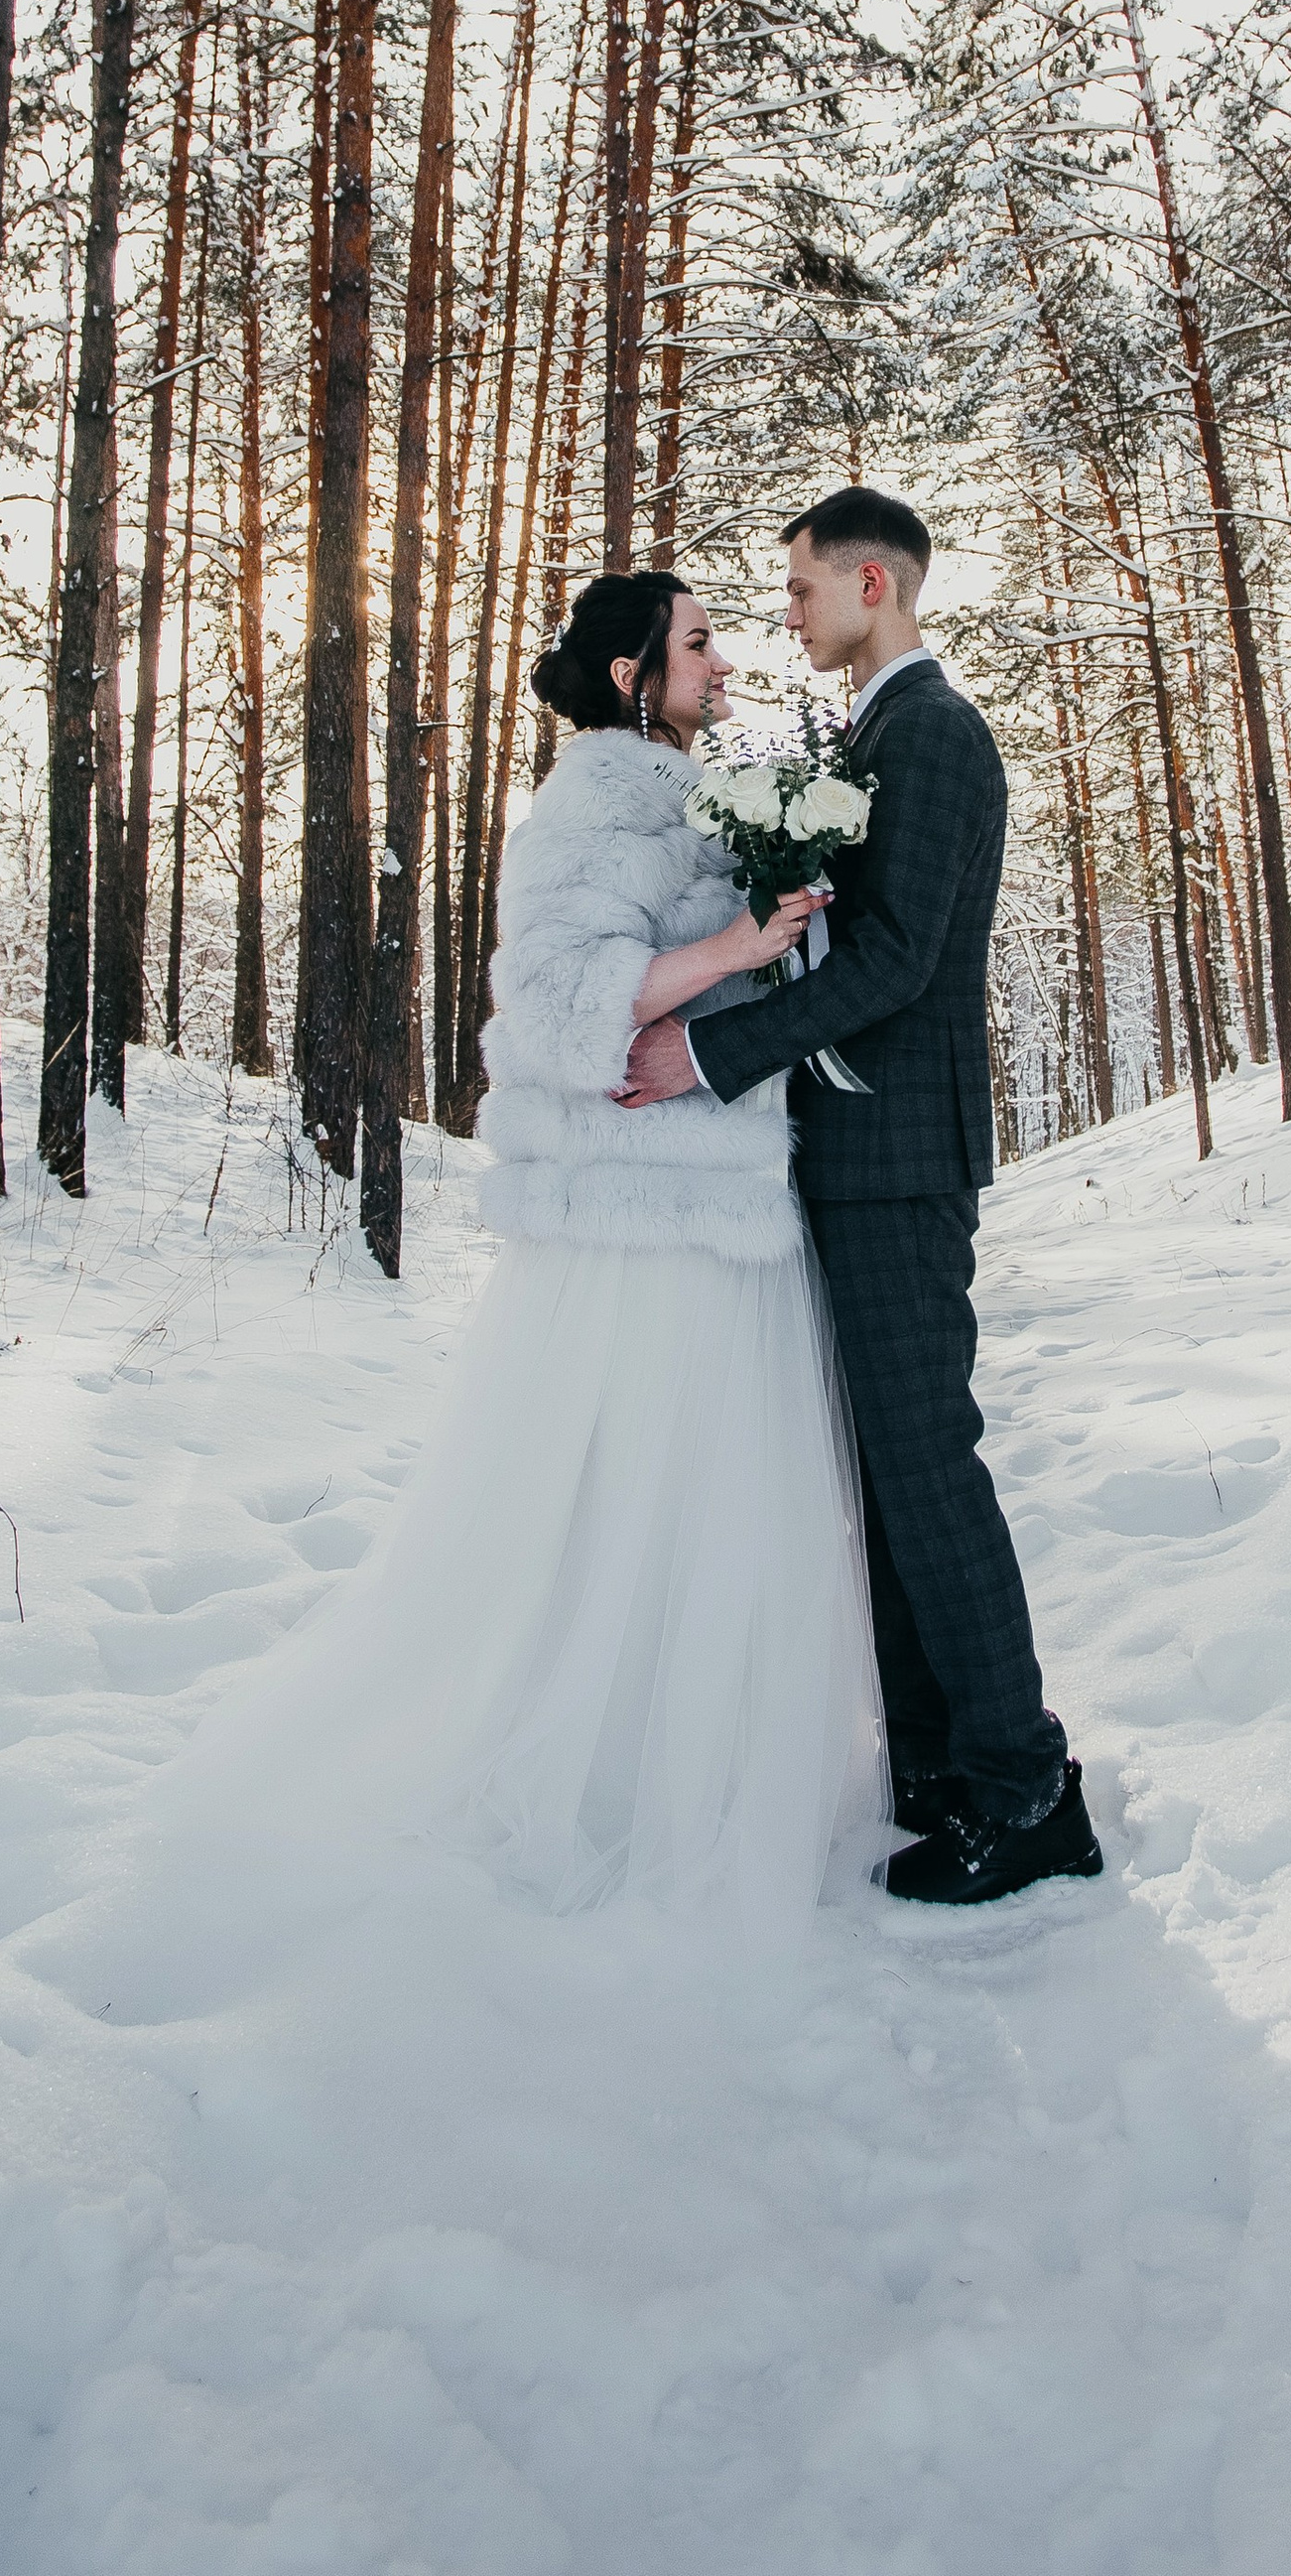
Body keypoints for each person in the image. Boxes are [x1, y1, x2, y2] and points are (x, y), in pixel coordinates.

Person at [240, 569, 888, 1939]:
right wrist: (734, 944)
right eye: (699, 644)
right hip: (635, 1219)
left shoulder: (685, 792)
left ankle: (702, 1771)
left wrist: (788, 920)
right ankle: (605, 1786)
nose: (722, 663)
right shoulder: (592, 800)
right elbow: (555, 1006)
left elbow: (736, 964)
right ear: (627, 674)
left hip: (720, 1201)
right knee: (633, 1500)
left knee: (714, 1508)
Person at [617, 486, 1101, 1907]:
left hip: (897, 1163)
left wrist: (707, 1049)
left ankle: (1028, 1793)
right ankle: (943, 1767)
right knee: (889, 1482)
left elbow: (893, 965)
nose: (789, 613)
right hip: (850, 1155)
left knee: (929, 1473)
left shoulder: (934, 736)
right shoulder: (876, 735)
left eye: (804, 588)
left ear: (873, 582)